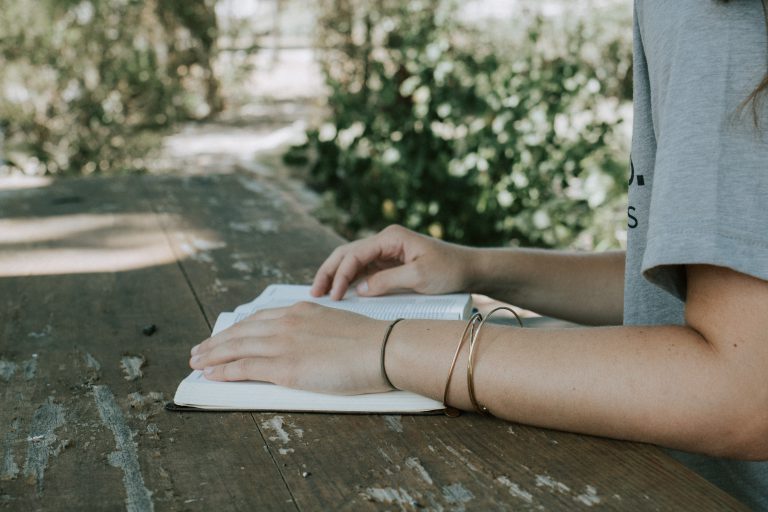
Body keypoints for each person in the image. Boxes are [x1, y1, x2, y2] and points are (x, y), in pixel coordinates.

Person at [189, 1, 768, 508]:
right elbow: (708, 298)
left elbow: (744, 391)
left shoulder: (713, 14)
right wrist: (477, 267)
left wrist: (386, 346)